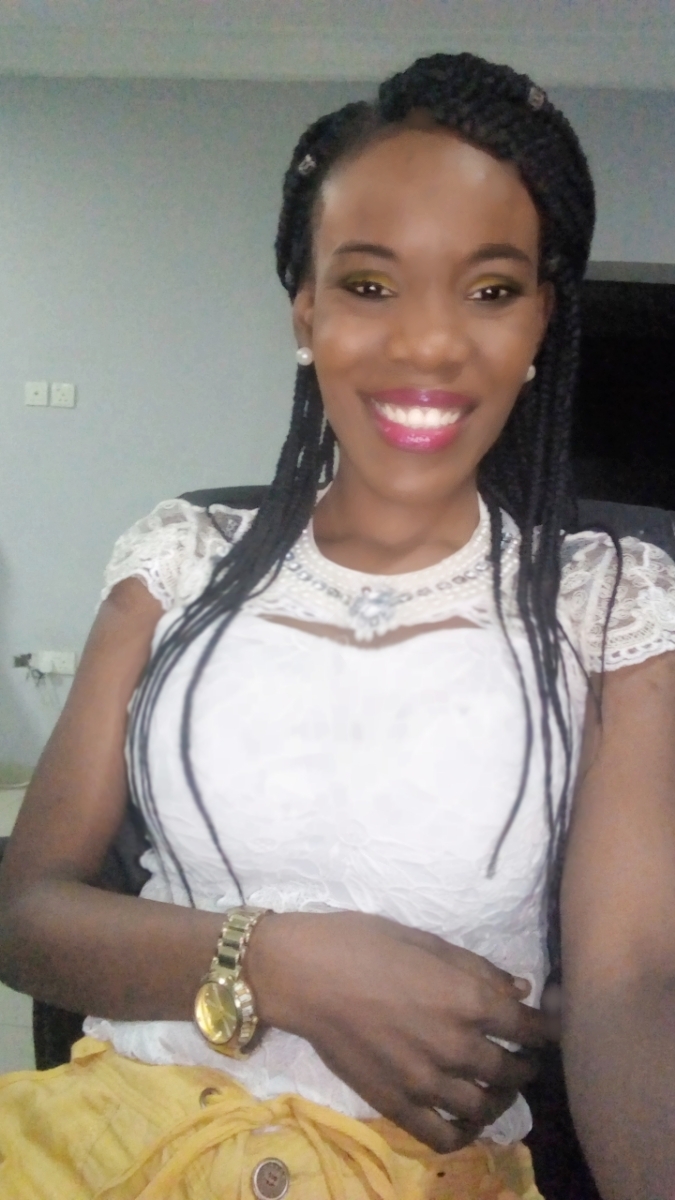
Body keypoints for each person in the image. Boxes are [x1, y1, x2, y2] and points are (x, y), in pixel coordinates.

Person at [1, 50, 674, 1200]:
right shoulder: (179, 563)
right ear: (306, 309)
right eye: (370, 284)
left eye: (490, 289)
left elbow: (633, 985)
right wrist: (281, 961)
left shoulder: (611, 602)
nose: (427, 343)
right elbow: (26, 913)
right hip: (102, 1148)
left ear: (539, 324)